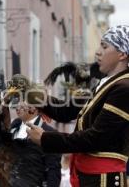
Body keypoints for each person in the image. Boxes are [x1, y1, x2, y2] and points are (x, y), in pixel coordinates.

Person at [28, 25, 129, 187]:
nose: (98, 52)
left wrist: (46, 138)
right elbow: (66, 111)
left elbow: (97, 138)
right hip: (90, 177)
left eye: (104, 46)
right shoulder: (106, 85)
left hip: (104, 179)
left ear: (122, 54)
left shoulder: (124, 88)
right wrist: (29, 93)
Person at [11, 101, 61, 187]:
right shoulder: (12, 128)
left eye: (23, 101)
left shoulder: (50, 133)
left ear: (34, 107)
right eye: (17, 101)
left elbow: (53, 170)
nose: (17, 106)